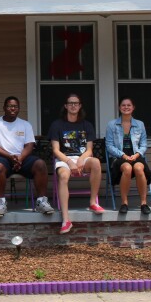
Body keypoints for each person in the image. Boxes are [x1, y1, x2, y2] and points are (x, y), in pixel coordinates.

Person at [0, 96, 54, 217]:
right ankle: (1, 203)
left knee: (40, 164)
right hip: (1, 157)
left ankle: (41, 202)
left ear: (19, 108)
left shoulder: (25, 124)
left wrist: (20, 158)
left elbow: (29, 145)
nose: (13, 109)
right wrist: (10, 157)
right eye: (10, 106)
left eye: (15, 106)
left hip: (22, 158)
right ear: (4, 108)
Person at [49, 93, 105, 234]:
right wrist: (69, 162)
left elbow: (89, 150)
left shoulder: (87, 125)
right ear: (66, 106)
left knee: (96, 162)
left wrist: (80, 160)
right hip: (64, 159)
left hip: (82, 158)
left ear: (80, 106)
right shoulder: (57, 125)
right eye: (70, 103)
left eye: (76, 103)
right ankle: (66, 219)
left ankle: (93, 202)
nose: (73, 105)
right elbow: (55, 150)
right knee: (63, 176)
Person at [105, 97, 151, 215]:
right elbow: (109, 145)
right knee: (127, 168)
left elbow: (144, 144)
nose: (126, 107)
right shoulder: (111, 125)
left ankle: (143, 203)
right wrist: (123, 155)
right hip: (119, 156)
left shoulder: (140, 124)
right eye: (123, 105)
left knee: (139, 168)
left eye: (129, 105)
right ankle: (124, 203)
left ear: (133, 107)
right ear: (119, 107)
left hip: (136, 155)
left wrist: (137, 155)